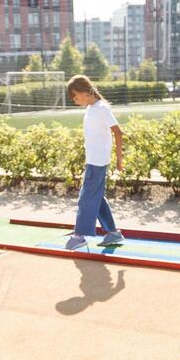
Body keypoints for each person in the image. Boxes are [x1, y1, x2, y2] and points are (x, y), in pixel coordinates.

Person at [64, 75, 126, 251]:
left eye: (75, 97)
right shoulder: (92, 108)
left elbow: (118, 132)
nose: (75, 101)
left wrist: (119, 161)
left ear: (84, 92)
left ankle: (80, 235)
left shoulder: (102, 109)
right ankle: (113, 233)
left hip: (97, 162)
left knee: (86, 199)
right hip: (92, 160)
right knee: (96, 198)